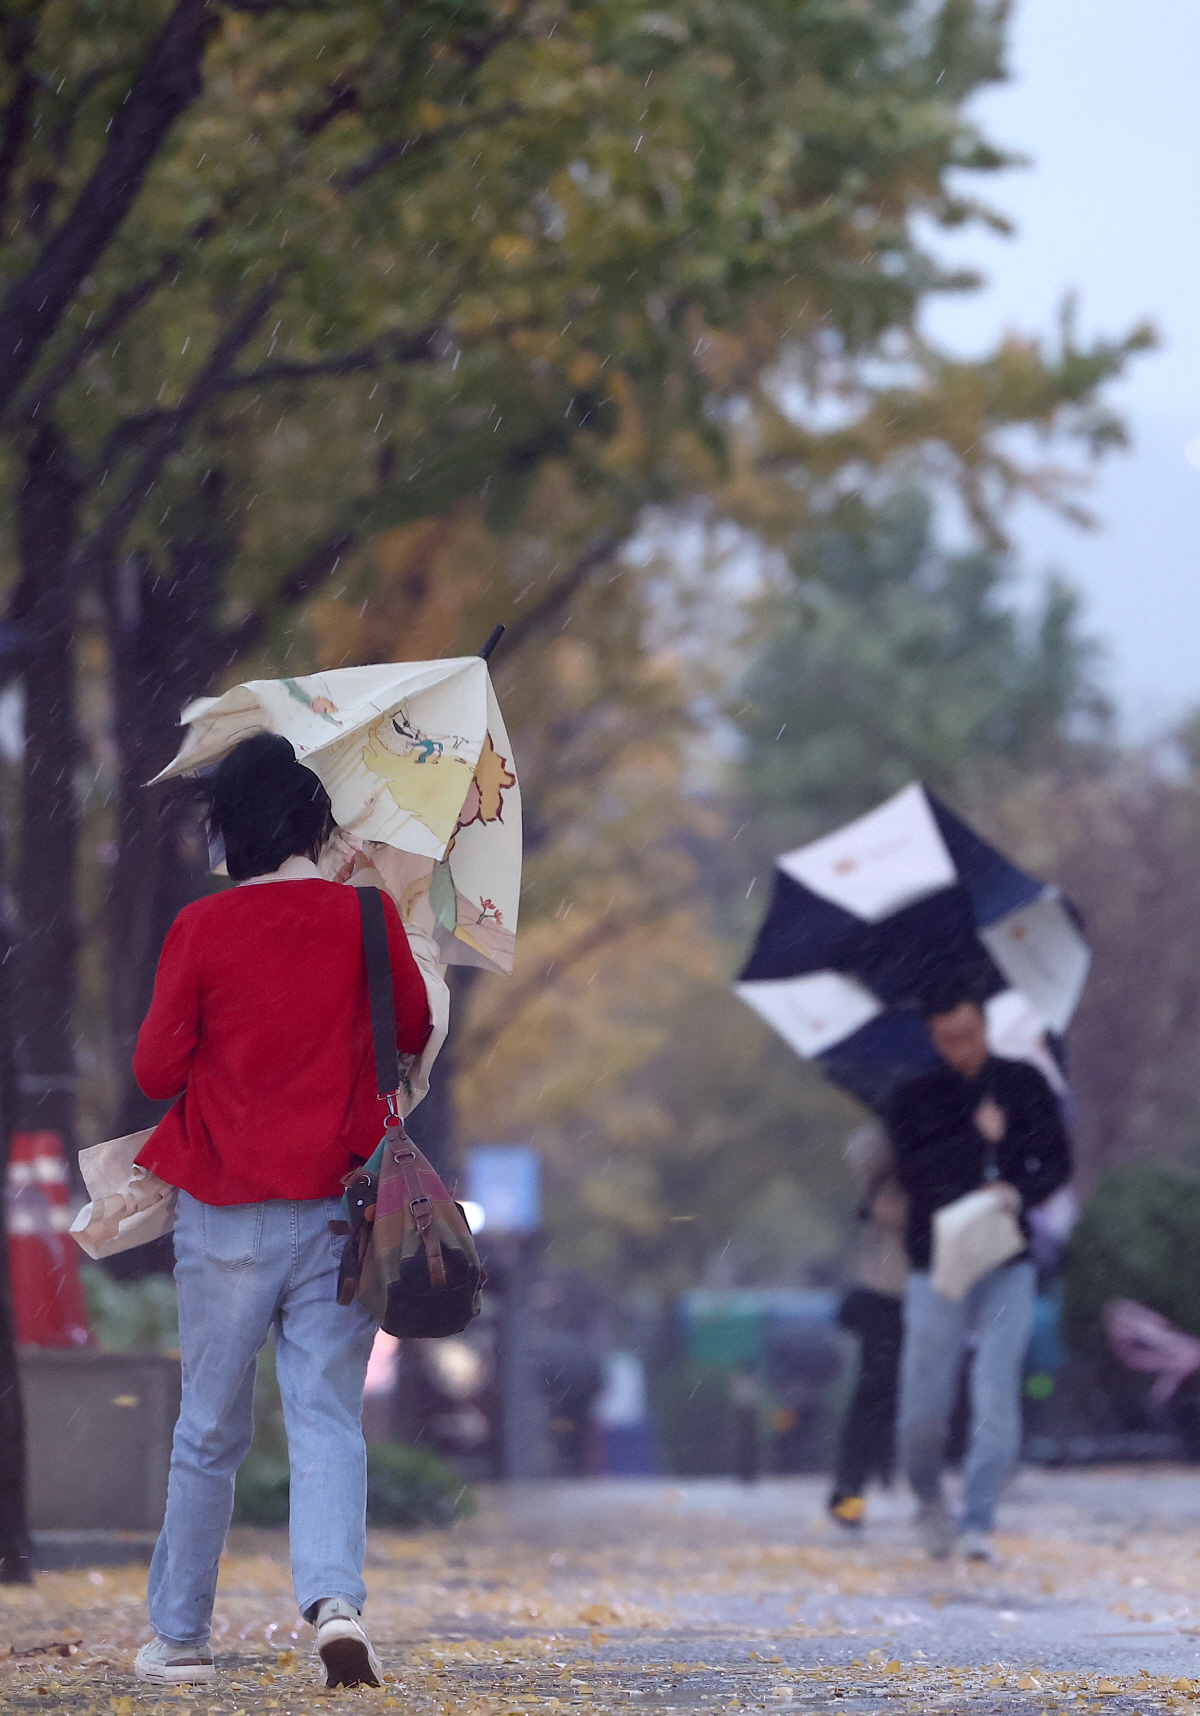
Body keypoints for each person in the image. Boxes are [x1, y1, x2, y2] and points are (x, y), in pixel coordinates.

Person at [130, 734, 432, 1688]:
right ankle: (336, 1603)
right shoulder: (367, 919)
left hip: (225, 1210)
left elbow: (153, 1070)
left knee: (209, 1430)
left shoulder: (202, 930)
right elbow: (414, 1026)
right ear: (316, 823)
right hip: (342, 1212)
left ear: (232, 832)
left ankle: (179, 1635)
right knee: (327, 1418)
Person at [890, 981, 1071, 1563]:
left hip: (1005, 1258)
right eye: (948, 1039)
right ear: (933, 1036)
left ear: (985, 1027)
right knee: (924, 1397)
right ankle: (927, 1498)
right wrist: (975, 1141)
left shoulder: (1023, 1083)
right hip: (936, 1259)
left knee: (995, 1387)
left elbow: (1058, 1161)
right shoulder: (915, 1096)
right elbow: (914, 1175)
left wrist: (1017, 1188)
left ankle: (980, 1516)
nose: (961, 1048)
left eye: (969, 1035)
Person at [827, 1125, 909, 1530]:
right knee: (874, 1399)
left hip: (919, 1298)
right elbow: (861, 1153)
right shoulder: (886, 1155)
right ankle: (851, 1490)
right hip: (885, 1300)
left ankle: (868, 1480)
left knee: (887, 1401)